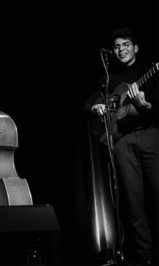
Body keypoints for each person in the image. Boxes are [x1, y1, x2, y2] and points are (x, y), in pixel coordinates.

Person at [85, 28, 159, 266]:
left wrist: (145, 105)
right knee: (133, 203)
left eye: (125, 44)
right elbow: (89, 104)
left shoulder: (150, 71)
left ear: (135, 48)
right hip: (121, 142)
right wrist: (96, 107)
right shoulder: (110, 79)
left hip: (149, 134)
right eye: (117, 46)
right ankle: (146, 257)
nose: (121, 50)